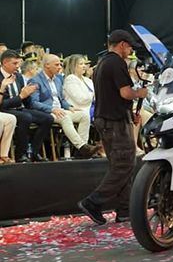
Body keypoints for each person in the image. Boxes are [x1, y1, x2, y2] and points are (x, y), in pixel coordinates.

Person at [77, 30, 148, 225]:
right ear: (122, 44)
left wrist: (129, 111)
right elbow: (125, 93)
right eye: (130, 46)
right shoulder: (117, 63)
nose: (131, 50)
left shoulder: (101, 64)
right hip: (114, 121)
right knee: (125, 165)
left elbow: (112, 95)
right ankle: (93, 202)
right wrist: (140, 93)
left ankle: (124, 210)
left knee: (121, 165)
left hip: (106, 119)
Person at [29, 54, 98, 159]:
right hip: (47, 111)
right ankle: (82, 147)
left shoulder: (58, 80)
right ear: (47, 65)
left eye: (60, 64)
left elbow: (61, 99)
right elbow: (34, 103)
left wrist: (69, 107)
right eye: (56, 65)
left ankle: (80, 151)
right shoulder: (35, 80)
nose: (60, 67)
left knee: (84, 115)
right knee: (64, 118)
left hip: (61, 109)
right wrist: (52, 109)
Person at [0, 50, 51, 162]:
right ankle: (20, 154)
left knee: (47, 118)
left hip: (20, 108)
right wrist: (21, 96)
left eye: (18, 63)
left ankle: (34, 151)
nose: (18, 66)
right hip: (5, 110)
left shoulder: (18, 76)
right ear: (5, 63)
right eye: (15, 63)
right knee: (25, 117)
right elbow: (2, 104)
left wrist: (28, 93)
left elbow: (24, 100)